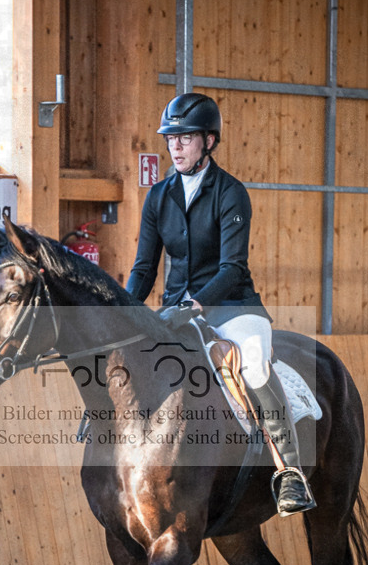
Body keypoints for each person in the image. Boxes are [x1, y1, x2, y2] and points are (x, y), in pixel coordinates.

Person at [126, 92, 316, 516]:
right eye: (170, 139)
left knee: (253, 363)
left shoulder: (231, 193)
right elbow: (143, 269)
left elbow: (232, 267)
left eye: (185, 138)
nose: (175, 146)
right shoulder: (158, 197)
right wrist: (119, 311)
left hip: (233, 307)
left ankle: (289, 472)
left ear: (208, 141)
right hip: (176, 309)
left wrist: (197, 304)